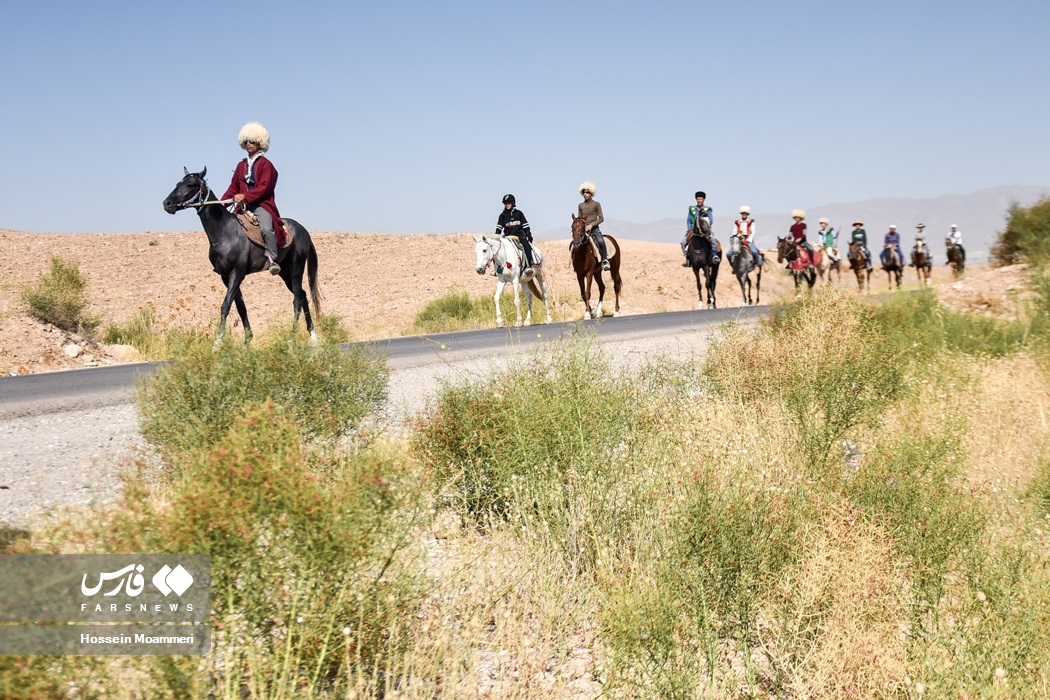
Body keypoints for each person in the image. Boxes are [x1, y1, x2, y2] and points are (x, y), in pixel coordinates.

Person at [223, 121, 282, 275]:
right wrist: (222, 203)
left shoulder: (266, 165)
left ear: (260, 143)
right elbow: (233, 188)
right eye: (246, 141)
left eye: (252, 141)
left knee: (266, 229)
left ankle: (272, 259)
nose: (249, 144)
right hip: (242, 207)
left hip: (262, 205)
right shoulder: (240, 165)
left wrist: (245, 196)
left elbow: (265, 187)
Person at [494, 194, 536, 276]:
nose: (507, 205)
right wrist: (496, 237)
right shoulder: (502, 216)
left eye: (509, 203)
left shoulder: (519, 213)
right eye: (506, 203)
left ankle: (528, 266)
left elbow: (526, 226)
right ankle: (497, 269)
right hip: (508, 236)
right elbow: (498, 228)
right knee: (495, 249)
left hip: (519, 235)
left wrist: (529, 235)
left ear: (513, 203)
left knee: (527, 246)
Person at [578, 182, 611, 271]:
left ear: (591, 193)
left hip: (595, 230)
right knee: (575, 243)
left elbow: (601, 218)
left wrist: (592, 225)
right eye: (584, 192)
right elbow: (580, 219)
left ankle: (605, 260)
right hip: (584, 230)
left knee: (601, 241)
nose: (585, 194)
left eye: (587, 192)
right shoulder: (580, 205)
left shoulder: (596, 204)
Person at [683, 191, 717, 266]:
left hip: (704, 231)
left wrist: (705, 228)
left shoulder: (707, 210)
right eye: (698, 199)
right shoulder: (692, 209)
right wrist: (689, 229)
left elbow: (710, 220)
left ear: (703, 199)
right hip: (693, 231)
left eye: (700, 199)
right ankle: (687, 259)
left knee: (713, 242)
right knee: (683, 243)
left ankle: (714, 256)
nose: (699, 200)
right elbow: (689, 220)